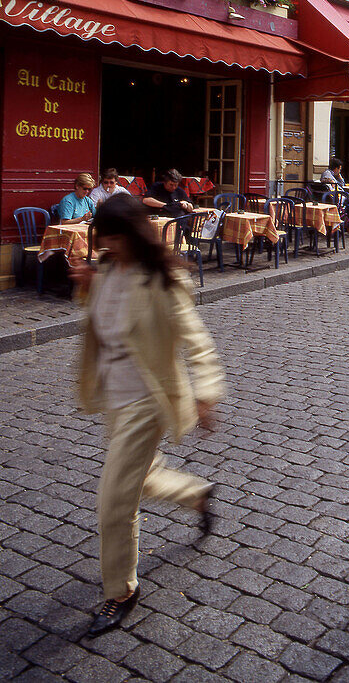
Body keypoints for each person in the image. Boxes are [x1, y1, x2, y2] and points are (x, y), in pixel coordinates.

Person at [71, 195, 225, 637]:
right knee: (140, 477)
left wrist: (206, 393)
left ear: (134, 235)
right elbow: (103, 321)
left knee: (114, 500)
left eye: (116, 238)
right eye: (104, 239)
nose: (108, 246)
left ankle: (121, 591)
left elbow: (197, 340)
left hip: (147, 401)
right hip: (114, 398)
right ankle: (196, 493)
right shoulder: (104, 270)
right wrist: (85, 285)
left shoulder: (162, 280)